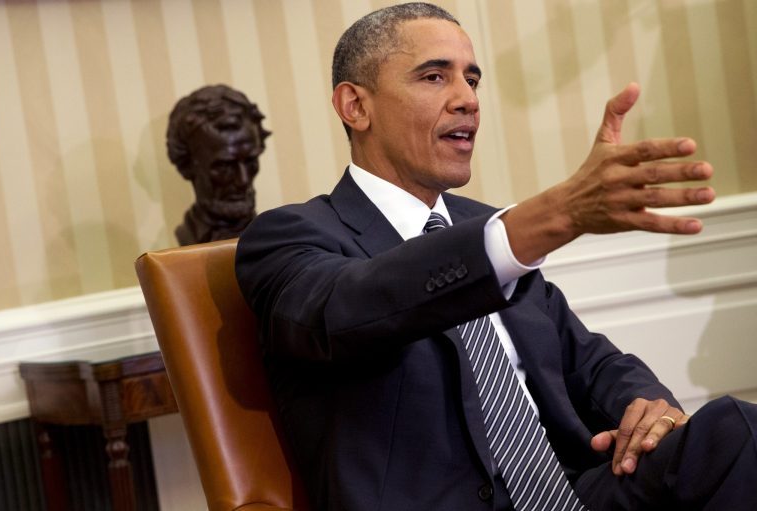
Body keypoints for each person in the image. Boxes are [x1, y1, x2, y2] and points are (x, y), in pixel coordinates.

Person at [235, 3, 756, 510]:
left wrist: (646, 409)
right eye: (435, 77)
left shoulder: (485, 225)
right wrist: (556, 214)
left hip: (572, 491)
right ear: (355, 106)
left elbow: (587, 359)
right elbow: (355, 305)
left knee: (733, 428)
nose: (468, 99)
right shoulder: (290, 238)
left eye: (472, 80)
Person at [167, 84, 271, 245]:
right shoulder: (188, 237)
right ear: (187, 165)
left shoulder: (273, 237)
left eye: (250, 161)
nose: (243, 180)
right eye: (224, 167)